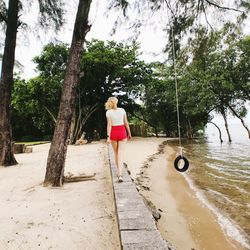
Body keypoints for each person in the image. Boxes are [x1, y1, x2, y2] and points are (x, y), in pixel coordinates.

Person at [105, 97, 132, 182]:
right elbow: (126, 123)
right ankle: (120, 174)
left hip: (113, 132)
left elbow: (109, 125)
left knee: (116, 153)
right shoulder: (122, 110)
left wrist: (108, 136)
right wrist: (129, 133)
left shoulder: (108, 112)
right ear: (116, 102)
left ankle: (119, 172)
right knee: (120, 153)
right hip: (122, 132)